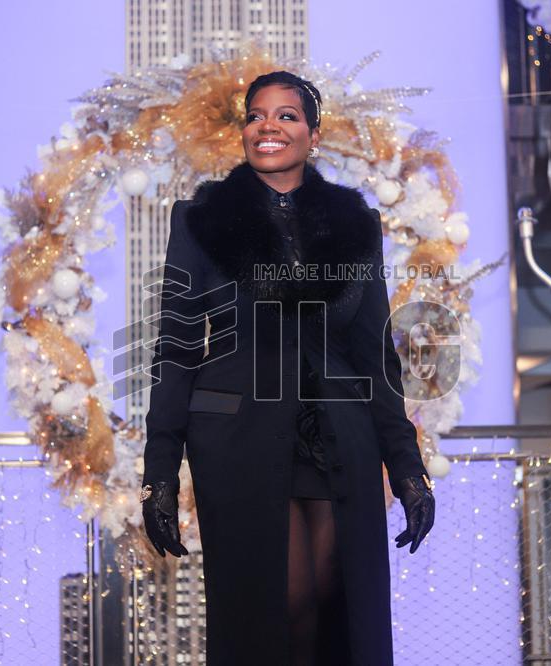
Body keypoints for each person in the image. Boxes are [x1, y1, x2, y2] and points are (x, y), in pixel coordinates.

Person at [139, 70, 435, 666]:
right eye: (255, 116)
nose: (267, 127)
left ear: (313, 134)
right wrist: (160, 471)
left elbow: (377, 356)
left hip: (337, 437)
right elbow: (174, 347)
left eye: (286, 115)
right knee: (279, 603)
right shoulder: (199, 221)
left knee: (332, 603)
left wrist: (407, 468)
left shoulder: (356, 226)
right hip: (238, 438)